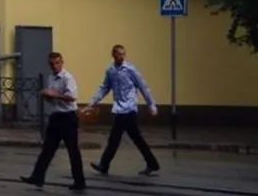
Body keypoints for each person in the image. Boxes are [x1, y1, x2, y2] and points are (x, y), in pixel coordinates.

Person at [85, 43, 160, 176]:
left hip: (129, 109)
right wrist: (93, 102)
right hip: (119, 109)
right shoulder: (110, 71)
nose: (122, 57)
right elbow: (104, 88)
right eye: (119, 54)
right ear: (113, 55)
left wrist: (151, 105)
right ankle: (152, 163)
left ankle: (104, 165)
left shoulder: (130, 69)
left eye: (123, 54)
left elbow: (143, 86)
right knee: (134, 138)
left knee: (115, 139)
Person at [21, 50, 85, 190]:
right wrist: (46, 96)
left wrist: (54, 94)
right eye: (52, 64)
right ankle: (37, 177)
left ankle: (79, 182)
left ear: (62, 63)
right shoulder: (50, 77)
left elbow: (72, 97)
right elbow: (52, 98)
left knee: (73, 151)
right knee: (47, 149)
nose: (55, 66)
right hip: (56, 116)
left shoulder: (68, 78)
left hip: (68, 117)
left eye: (57, 63)